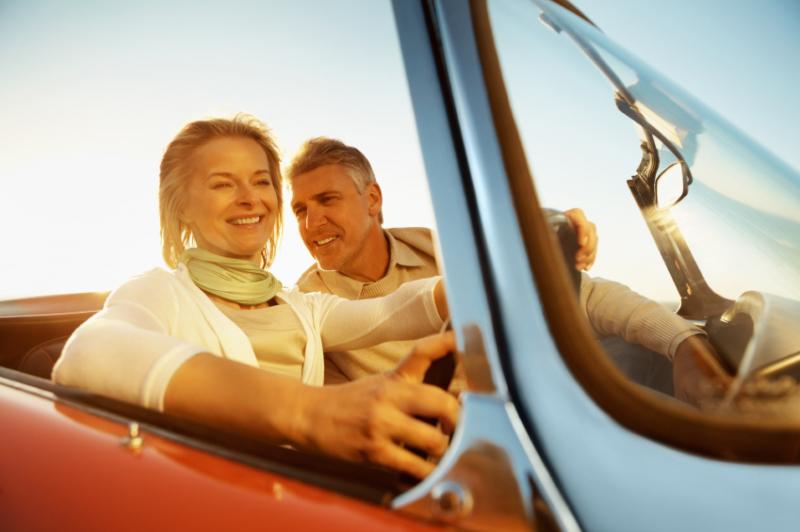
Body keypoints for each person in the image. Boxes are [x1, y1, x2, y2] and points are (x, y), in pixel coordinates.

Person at [52, 115, 458, 479]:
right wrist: (310, 411)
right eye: (223, 184)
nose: (250, 198)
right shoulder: (161, 290)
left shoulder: (303, 306)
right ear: (183, 208)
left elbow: (397, 307)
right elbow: (87, 353)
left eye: (261, 181)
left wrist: (470, 286)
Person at [286, 137, 726, 401]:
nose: (310, 223)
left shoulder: (441, 248)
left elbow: (579, 295)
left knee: (650, 362)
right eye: (300, 209)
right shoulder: (309, 311)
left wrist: (685, 343)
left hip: (538, 387)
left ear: (373, 200)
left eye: (327, 200)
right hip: (479, 443)